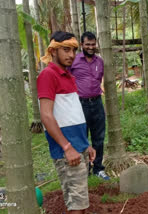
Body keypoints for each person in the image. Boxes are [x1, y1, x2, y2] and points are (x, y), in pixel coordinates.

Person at [37, 31, 96, 214]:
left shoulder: (68, 76)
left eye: (73, 50)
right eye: (65, 50)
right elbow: (46, 116)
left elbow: (71, 114)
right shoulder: (48, 75)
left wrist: (86, 145)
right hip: (67, 151)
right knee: (76, 206)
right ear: (53, 51)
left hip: (78, 148)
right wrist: (67, 147)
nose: (71, 55)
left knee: (80, 202)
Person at [70, 32, 109, 180]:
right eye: (88, 44)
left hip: (97, 102)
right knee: (82, 137)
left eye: (93, 44)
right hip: (80, 104)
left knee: (99, 137)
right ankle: (84, 169)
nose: (91, 47)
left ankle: (98, 169)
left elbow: (100, 81)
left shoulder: (99, 61)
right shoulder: (74, 61)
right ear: (82, 45)